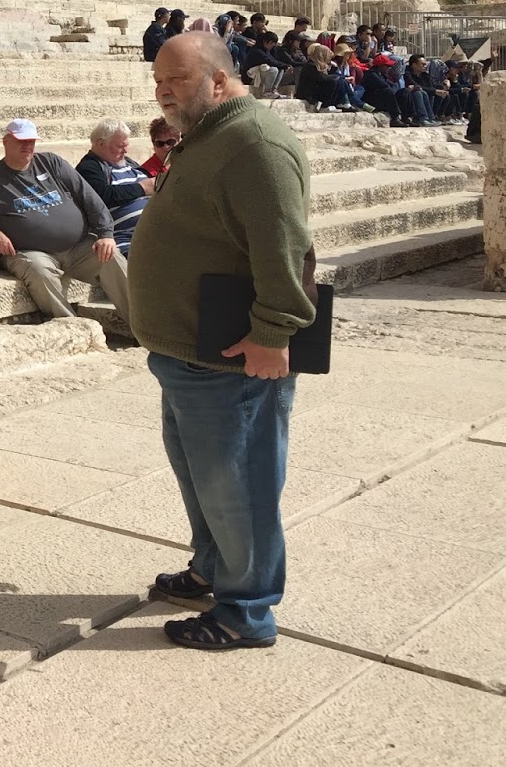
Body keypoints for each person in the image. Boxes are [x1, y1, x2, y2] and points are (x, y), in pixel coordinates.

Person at [130, 32, 318, 652]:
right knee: (203, 478)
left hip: (232, 358)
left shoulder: (254, 144)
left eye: (177, 80)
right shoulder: (211, 133)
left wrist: (273, 333)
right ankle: (213, 569)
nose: (163, 93)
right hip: (188, 353)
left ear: (219, 79)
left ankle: (246, 611)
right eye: (158, 80)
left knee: (239, 485)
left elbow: (285, 248)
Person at [0, 119, 132, 322]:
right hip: (30, 251)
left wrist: (105, 234)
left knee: (112, 256)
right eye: (21, 141)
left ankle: (144, 328)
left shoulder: (51, 162)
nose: (28, 146)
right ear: (6, 141)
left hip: (78, 246)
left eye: (32, 141)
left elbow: (89, 198)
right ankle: (72, 327)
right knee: (39, 271)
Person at [75, 119, 153, 257]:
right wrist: (142, 188)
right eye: (120, 146)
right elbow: (102, 195)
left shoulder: (129, 163)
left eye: (126, 145)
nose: (126, 150)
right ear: (101, 144)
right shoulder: (90, 167)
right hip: (127, 237)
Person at [239, 31, 287, 98]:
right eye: (272, 44)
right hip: (250, 77)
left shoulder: (266, 50)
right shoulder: (257, 51)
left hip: (259, 74)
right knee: (274, 70)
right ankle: (267, 92)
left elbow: (274, 60)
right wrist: (287, 66)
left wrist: (285, 66)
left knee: (280, 69)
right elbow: (270, 61)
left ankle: (273, 90)